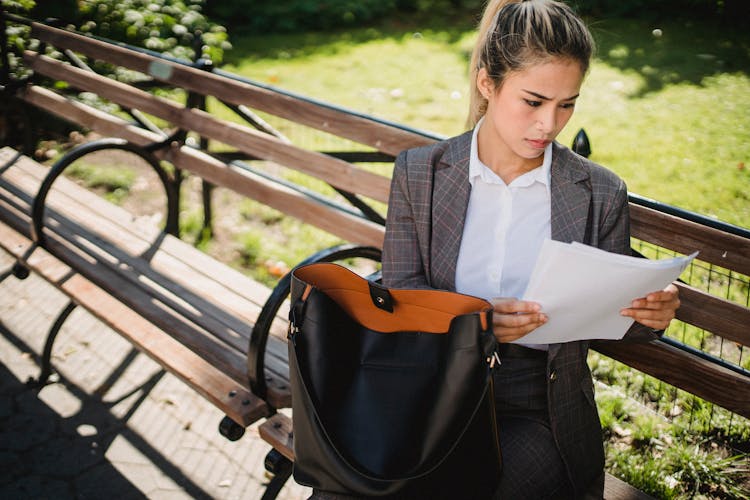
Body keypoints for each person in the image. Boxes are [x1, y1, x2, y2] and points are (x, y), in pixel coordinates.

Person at [382, 0, 681, 498]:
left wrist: (651, 312)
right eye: (534, 101)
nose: (550, 124)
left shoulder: (598, 191)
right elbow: (400, 291)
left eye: (567, 104)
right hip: (432, 384)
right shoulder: (422, 172)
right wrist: (474, 320)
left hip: (539, 400)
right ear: (487, 84)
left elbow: (618, 323)